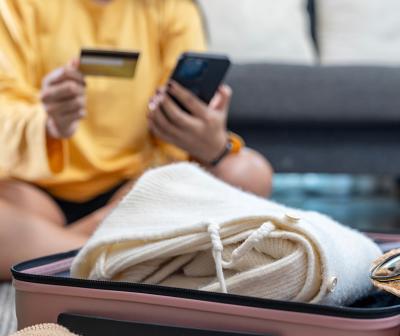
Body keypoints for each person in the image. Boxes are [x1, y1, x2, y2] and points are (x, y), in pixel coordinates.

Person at [0, 0, 273, 280]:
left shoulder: (171, 8)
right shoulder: (15, 6)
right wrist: (47, 124)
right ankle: (120, 252)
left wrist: (210, 145)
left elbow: (184, 140)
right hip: (32, 195)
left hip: (133, 195)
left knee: (251, 173)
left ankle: (51, 255)